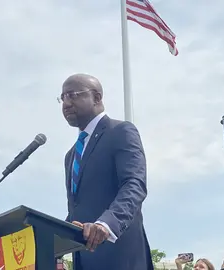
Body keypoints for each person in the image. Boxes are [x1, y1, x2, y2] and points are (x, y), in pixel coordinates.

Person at [60, 73, 154, 270]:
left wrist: (106, 224)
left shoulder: (121, 131)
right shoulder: (71, 156)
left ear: (97, 97)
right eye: (62, 97)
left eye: (73, 95)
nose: (66, 103)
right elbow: (78, 209)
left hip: (120, 256)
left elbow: (134, 184)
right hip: (85, 260)